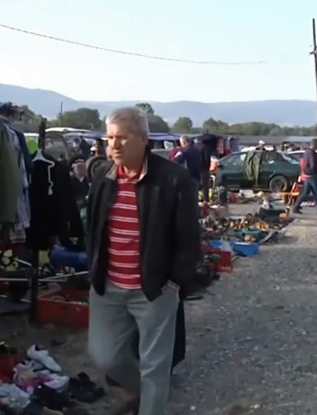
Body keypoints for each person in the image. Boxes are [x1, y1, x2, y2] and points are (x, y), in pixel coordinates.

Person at [86, 106, 200, 414]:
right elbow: (93, 228)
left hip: (154, 289)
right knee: (106, 356)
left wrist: (174, 282)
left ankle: (151, 402)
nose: (114, 145)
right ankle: (146, 392)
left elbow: (189, 238)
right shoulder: (103, 176)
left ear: (143, 139)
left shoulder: (173, 180)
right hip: (108, 286)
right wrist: (94, 268)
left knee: (155, 367)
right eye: (110, 138)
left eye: (122, 137)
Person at [292, 138, 317, 215]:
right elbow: (313, 164)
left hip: (307, 175)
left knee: (305, 192)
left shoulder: (306, 152)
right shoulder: (312, 153)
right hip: (313, 175)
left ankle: (295, 207)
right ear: (315, 144)